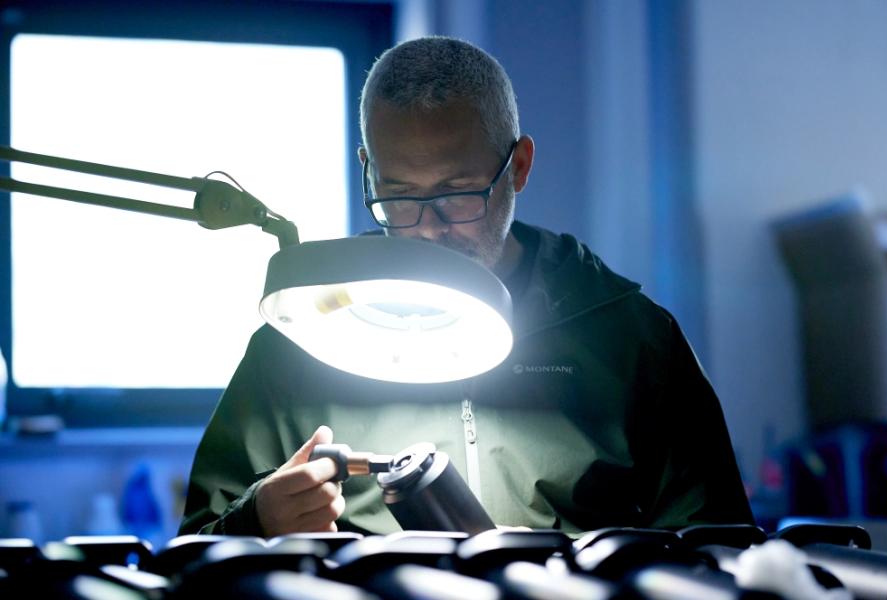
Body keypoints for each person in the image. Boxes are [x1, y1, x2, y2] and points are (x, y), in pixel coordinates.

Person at [180, 36, 753, 537]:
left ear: (519, 167)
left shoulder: (627, 335)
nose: (428, 228)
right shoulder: (303, 336)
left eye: (458, 193)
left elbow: (717, 546)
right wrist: (258, 519)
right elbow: (192, 552)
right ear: (368, 170)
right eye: (399, 196)